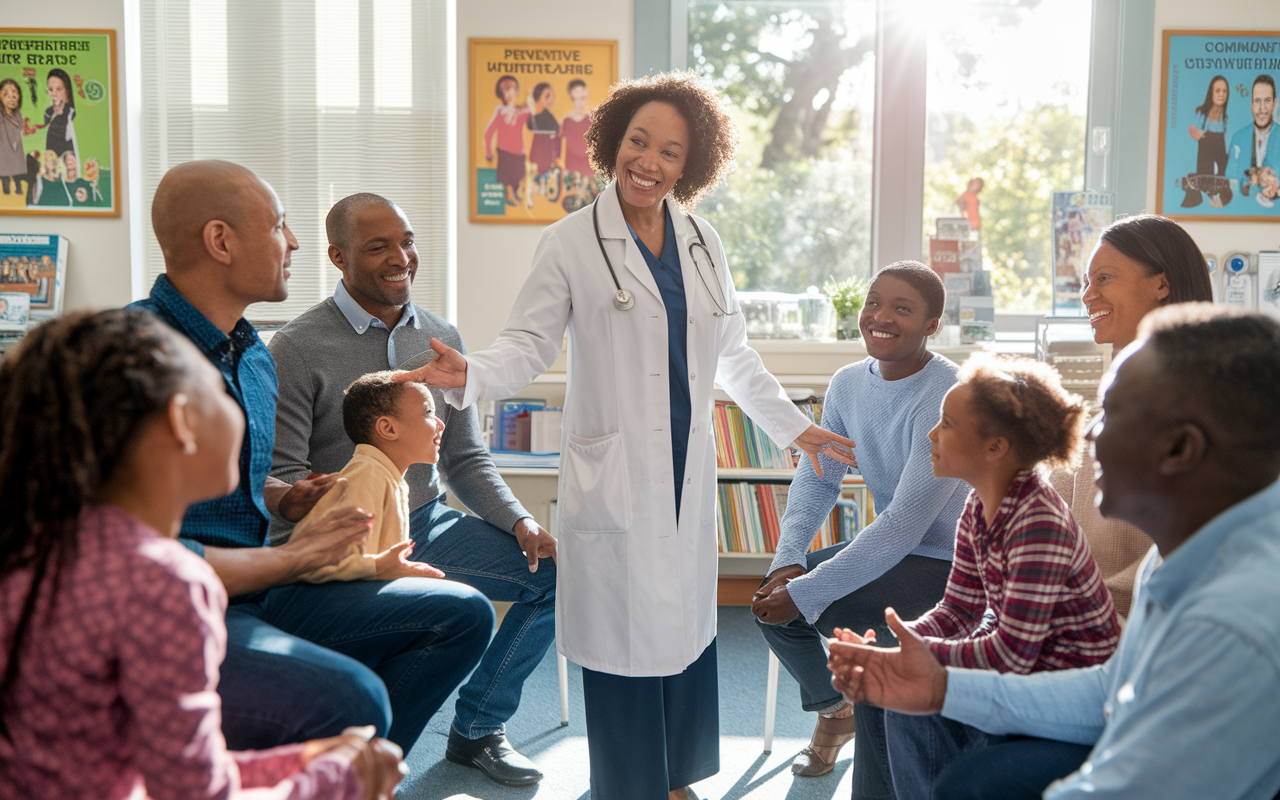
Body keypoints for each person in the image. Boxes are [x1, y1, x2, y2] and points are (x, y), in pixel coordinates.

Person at [399, 71, 857, 800]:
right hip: (614, 468)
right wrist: (469, 373)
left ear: (691, 163)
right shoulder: (570, 242)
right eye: (638, 142)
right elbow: (527, 342)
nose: (650, 161)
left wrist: (795, 426)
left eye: (671, 151)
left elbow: (733, 355)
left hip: (685, 463)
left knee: (683, 626)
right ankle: (631, 785)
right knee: (623, 635)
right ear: (613, 144)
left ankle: (676, 781)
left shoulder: (704, 242)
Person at [828, 305, 1280, 800]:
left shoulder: (1233, 622)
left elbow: (1129, 788)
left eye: (1113, 413)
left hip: (1048, 671)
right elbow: (1111, 692)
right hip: (1054, 683)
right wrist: (936, 684)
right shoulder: (1179, 554)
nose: (1087, 433)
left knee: (972, 780)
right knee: (910, 710)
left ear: (1180, 449)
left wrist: (940, 668)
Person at [129, 160, 494, 756]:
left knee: (463, 614)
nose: (293, 241)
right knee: (352, 700)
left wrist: (282, 496)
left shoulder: (249, 354)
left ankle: (361, 775)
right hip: (184, 604)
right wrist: (296, 557)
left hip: (260, 582)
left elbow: (248, 487)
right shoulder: (141, 357)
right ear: (220, 241)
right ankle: (348, 770)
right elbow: (127, 548)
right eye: (277, 226)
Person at [0, 308, 407, 800]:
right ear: (181, 420)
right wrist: (343, 779)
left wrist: (299, 761)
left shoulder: (40, 548)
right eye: (220, 393)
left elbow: (170, 771)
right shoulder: (163, 582)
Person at [269, 192, 557, 787]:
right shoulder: (296, 348)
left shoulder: (439, 335)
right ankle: (366, 763)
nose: (401, 256)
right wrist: (360, 549)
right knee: (436, 622)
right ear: (338, 257)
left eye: (407, 241)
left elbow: (466, 457)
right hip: (350, 537)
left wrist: (519, 521)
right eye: (379, 247)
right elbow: (285, 474)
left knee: (555, 574)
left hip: (427, 521)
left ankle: (477, 728)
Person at [752, 262, 968, 795]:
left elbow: (906, 522)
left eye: (903, 309)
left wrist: (804, 592)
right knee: (770, 604)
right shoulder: (848, 383)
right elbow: (819, 478)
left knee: (847, 626)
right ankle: (836, 708)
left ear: (930, 326)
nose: (881, 317)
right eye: (874, 303)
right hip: (898, 550)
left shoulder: (947, 391)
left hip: (952, 561)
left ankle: (863, 737)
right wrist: (789, 559)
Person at [881, 353, 1120, 799]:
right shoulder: (977, 506)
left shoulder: (1038, 519)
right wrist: (905, 643)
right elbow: (959, 608)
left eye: (947, 424)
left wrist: (919, 657)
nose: (932, 435)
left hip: (1065, 691)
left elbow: (1011, 657)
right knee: (900, 703)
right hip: (1024, 672)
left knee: (942, 715)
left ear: (995, 448)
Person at [1060, 214, 1213, 617]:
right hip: (1076, 616)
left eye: (1104, 278)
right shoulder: (1105, 401)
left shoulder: (1200, 406)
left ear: (1161, 284)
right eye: (1086, 283)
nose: (1088, 295)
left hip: (1129, 623)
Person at [289, 371, 447, 583]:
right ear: (387, 428)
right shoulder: (367, 476)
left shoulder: (389, 478)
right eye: (428, 412)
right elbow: (322, 565)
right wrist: (383, 568)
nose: (440, 424)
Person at [1226, 74, 1279, 203]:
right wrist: (1248, 182)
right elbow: (1230, 181)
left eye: (1267, 100)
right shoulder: (1238, 138)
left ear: (1274, 103)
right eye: (1257, 101)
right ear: (1251, 105)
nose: (1262, 108)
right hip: (1243, 213)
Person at [1181, 75, 1230, 208]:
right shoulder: (1201, 113)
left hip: (1219, 153)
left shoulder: (1224, 117)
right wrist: (1205, 137)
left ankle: (1216, 195)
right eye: (1218, 91)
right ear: (1211, 93)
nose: (1221, 95)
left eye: (1225, 91)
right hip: (1204, 152)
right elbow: (1192, 131)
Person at [483, 75, 532, 207]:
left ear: (517, 91)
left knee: (518, 175)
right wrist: (488, 152)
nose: (509, 93)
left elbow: (532, 120)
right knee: (507, 177)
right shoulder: (500, 110)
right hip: (505, 151)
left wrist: (530, 102)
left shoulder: (522, 111)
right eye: (505, 90)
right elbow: (488, 133)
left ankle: (515, 194)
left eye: (511, 89)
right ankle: (509, 195)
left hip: (519, 152)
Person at [561, 78, 594, 182]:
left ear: (587, 95)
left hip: (589, 171)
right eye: (576, 99)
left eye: (583, 98)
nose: (579, 103)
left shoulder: (592, 120)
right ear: (571, 98)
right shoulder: (567, 121)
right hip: (571, 170)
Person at [42, 68, 76, 160]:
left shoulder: (72, 115)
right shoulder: (48, 113)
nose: (54, 94)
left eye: (59, 89)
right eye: (50, 89)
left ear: (67, 90)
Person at [0, 78, 26, 198]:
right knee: (4, 170)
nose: (11, 97)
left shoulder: (17, 113)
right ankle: (6, 192)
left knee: (17, 170)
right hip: (3, 147)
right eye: (6, 94)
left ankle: (19, 189)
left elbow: (20, 128)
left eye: (14, 92)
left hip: (16, 147)